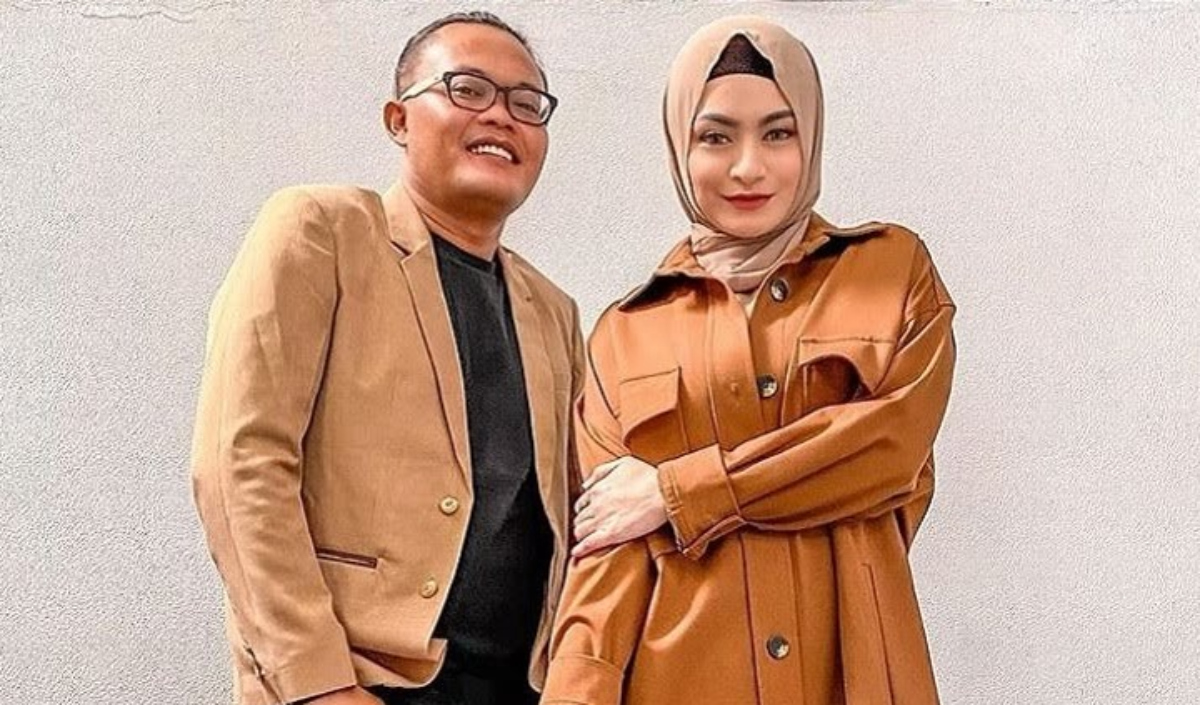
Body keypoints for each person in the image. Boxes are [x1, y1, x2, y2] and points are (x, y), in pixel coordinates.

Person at [540, 16, 956, 705]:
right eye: (715, 136)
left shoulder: (891, 273)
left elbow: (887, 450)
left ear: (811, 137)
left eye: (778, 133)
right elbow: (606, 561)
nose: (747, 167)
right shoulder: (625, 333)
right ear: (680, 146)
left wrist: (676, 494)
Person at [191, 11, 583, 705]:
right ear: (399, 119)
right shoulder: (323, 231)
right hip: (357, 680)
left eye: (527, 103)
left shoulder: (553, 310)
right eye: (468, 89)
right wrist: (316, 682)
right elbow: (239, 459)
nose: (501, 115)